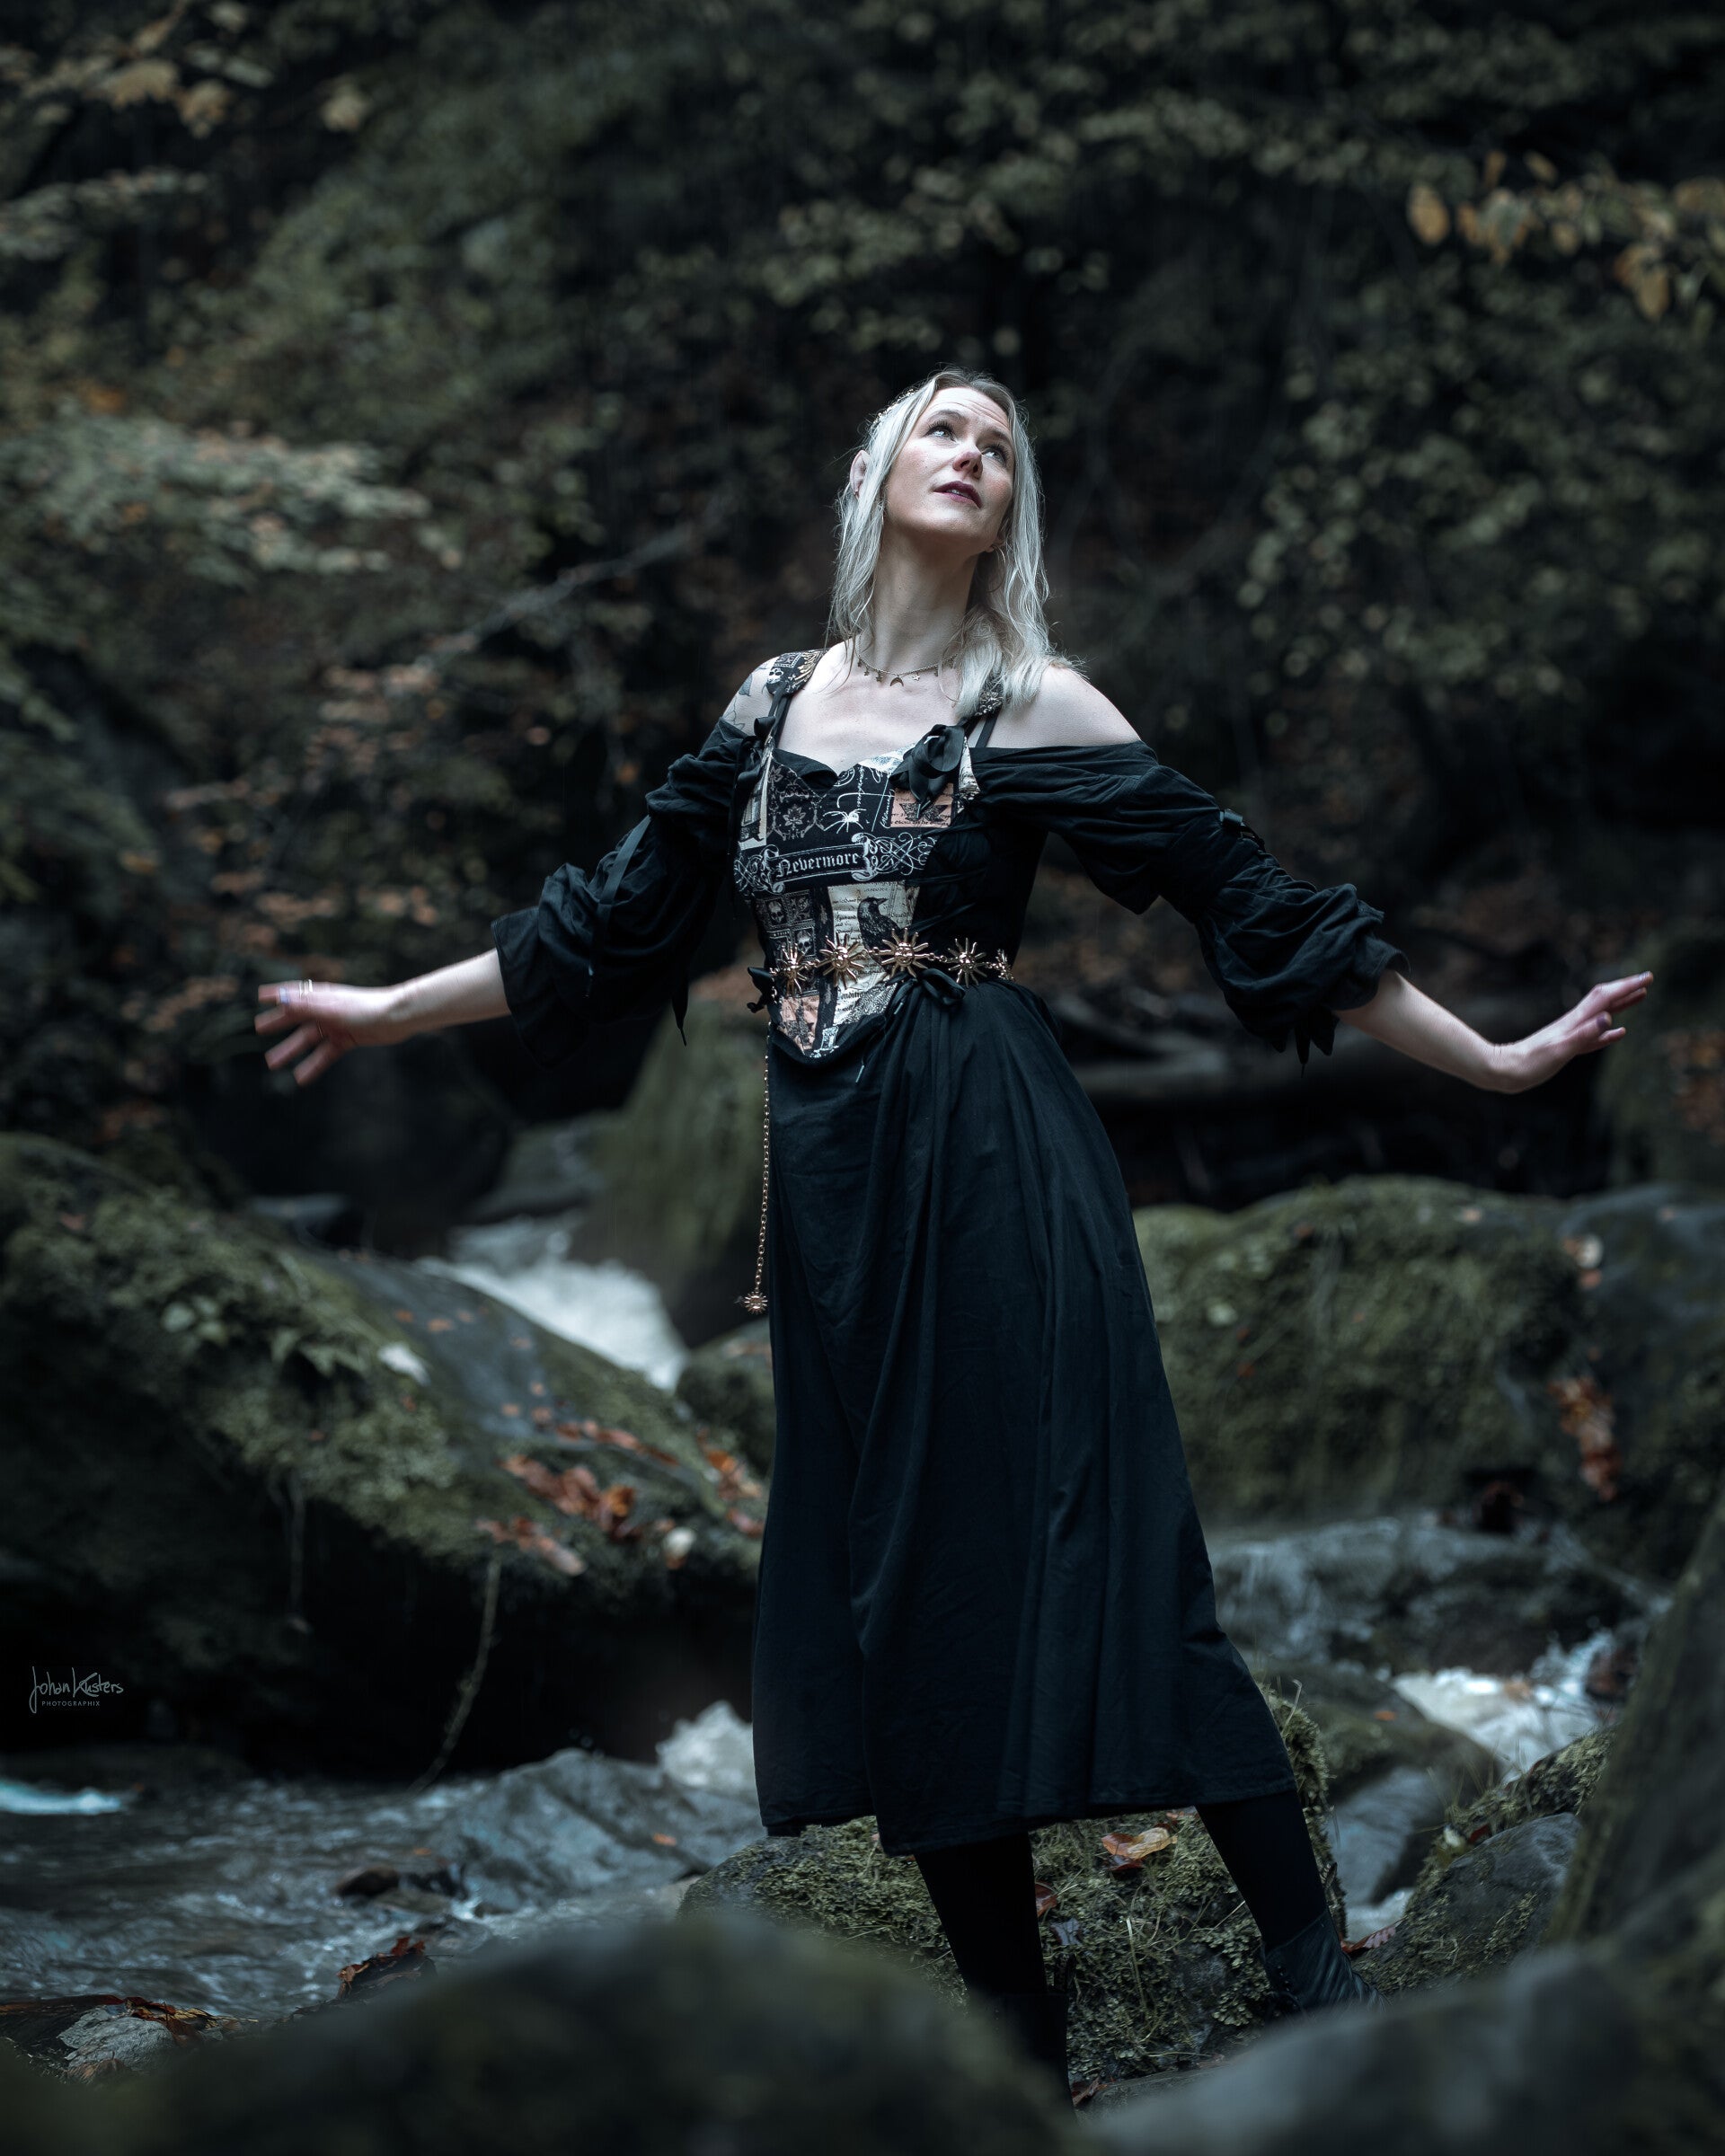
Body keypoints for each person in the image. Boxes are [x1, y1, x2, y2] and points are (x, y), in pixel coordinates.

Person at [255, 367, 1651, 2097]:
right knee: (903, 1594)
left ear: (1009, 511)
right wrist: (384, 1010)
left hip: (999, 1160)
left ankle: (1314, 1976)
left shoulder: (1035, 705)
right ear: (874, 475)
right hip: (836, 1198)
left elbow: (1255, 903)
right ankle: (1018, 2062)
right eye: (945, 429)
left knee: (1114, 1545)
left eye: (1000, 447)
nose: (974, 455)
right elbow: (607, 927)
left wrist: (1496, 1060)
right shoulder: (771, 706)